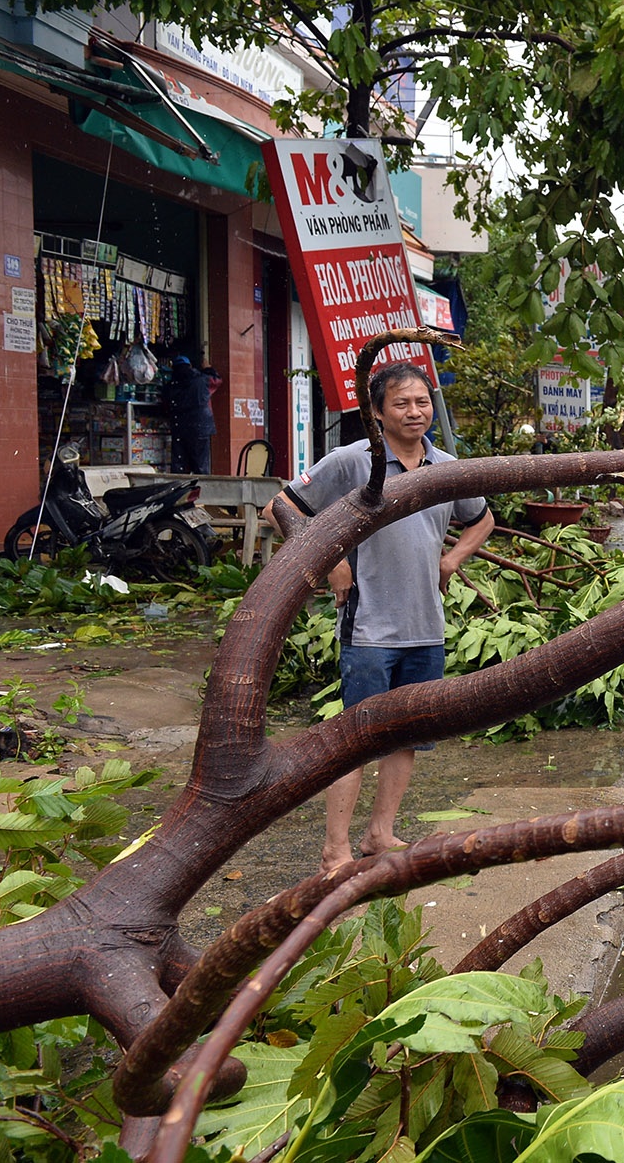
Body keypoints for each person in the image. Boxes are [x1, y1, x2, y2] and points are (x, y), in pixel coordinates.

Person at [270, 363, 495, 871]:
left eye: (422, 402)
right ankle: (335, 848)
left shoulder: (446, 466)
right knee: (354, 740)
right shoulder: (355, 462)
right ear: (376, 412)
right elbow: (282, 507)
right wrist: (333, 562)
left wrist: (452, 559)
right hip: (370, 626)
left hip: (426, 627)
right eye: (402, 403)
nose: (415, 412)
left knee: (407, 733)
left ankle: (379, 833)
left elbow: (482, 519)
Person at [164, 356, 216, 474]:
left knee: (180, 466)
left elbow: (166, 405)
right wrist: (208, 369)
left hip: (180, 428)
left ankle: (181, 491)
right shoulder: (203, 380)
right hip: (200, 429)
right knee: (201, 466)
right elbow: (216, 380)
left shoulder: (171, 385)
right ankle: (201, 490)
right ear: (190, 366)